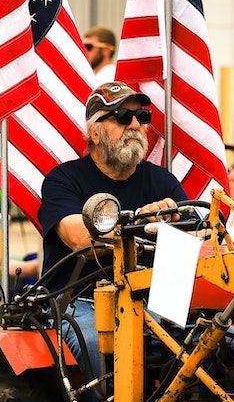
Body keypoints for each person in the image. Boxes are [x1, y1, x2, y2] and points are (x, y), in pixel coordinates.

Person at [39, 81, 186, 374]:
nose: (134, 124)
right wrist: (142, 223)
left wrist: (176, 222)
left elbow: (198, 235)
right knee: (97, 341)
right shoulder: (63, 179)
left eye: (141, 117)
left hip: (149, 302)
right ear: (94, 132)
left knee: (210, 341)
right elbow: (80, 238)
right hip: (77, 302)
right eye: (121, 117)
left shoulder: (163, 182)